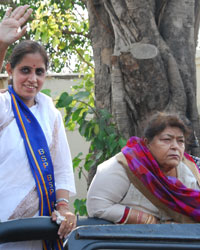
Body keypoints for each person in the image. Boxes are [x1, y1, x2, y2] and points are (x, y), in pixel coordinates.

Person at [0, 5, 76, 250]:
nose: (32, 79)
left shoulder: (51, 114)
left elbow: (62, 168)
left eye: (39, 72)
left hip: (42, 227)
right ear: (9, 70)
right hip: (4, 224)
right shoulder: (4, 105)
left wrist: (64, 207)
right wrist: (1, 44)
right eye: (25, 70)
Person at [87, 112, 200, 224]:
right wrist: (148, 220)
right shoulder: (126, 165)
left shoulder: (190, 170)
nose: (175, 146)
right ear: (147, 143)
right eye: (167, 140)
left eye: (180, 141)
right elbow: (97, 206)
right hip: (131, 240)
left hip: (183, 240)